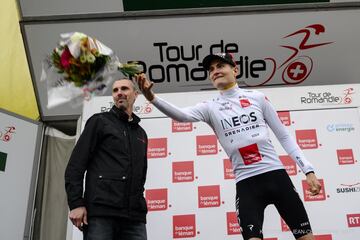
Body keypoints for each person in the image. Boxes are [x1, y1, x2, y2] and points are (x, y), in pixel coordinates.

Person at [134, 52, 322, 240]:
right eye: (211, 69)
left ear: (235, 69)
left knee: (306, 238)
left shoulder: (257, 98)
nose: (215, 71)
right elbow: (181, 115)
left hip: (277, 177)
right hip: (247, 185)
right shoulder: (209, 107)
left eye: (220, 66)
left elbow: (284, 136)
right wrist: (152, 97)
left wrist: (308, 170)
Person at [65, 78, 148, 240]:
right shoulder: (99, 121)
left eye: (124, 89)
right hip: (101, 214)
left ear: (136, 94)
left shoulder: (141, 134)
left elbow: (141, 175)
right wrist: (76, 203)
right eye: (115, 90)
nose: (119, 93)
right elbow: (76, 165)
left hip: (134, 218)